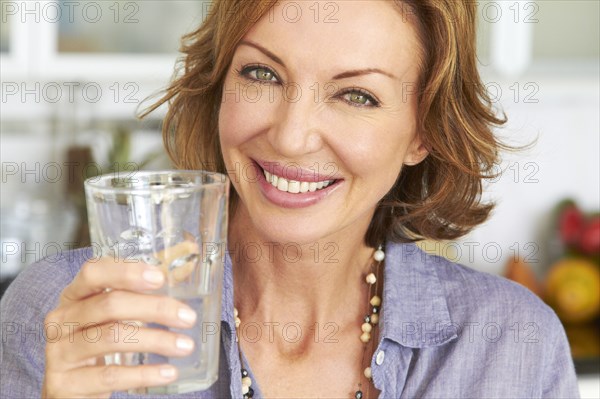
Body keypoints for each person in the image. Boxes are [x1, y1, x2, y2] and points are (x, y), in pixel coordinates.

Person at [0, 1, 580, 398]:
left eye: (356, 95)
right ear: (219, 81)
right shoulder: (61, 315)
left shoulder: (508, 346)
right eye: (263, 75)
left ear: (422, 131)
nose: (290, 136)